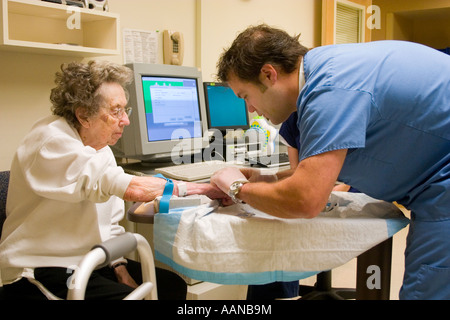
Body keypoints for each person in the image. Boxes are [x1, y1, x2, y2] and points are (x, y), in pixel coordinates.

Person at [211, 24, 450, 300]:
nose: (250, 109)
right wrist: (269, 179)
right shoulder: (325, 70)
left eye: (245, 96)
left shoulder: (328, 90)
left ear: (268, 74)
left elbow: (306, 199)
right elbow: (317, 171)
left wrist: (238, 188)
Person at [0, 60, 228, 300]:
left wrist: (119, 267)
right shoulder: (51, 141)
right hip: (41, 267)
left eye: (125, 110)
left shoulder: (100, 148)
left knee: (171, 286)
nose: (126, 121)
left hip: (91, 260)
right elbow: (130, 189)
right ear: (84, 115)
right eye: (116, 111)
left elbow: (108, 222)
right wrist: (205, 189)